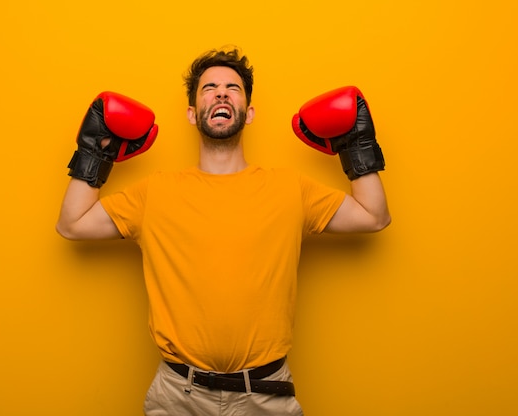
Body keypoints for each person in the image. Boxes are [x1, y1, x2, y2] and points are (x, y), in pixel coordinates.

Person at [56, 47, 390, 416]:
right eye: (209, 87)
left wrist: (356, 147)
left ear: (248, 114)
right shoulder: (155, 192)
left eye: (233, 88)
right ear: (191, 113)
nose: (220, 93)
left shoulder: (290, 188)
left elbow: (373, 216)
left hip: (266, 396)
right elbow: (72, 224)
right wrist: (95, 154)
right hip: (178, 396)